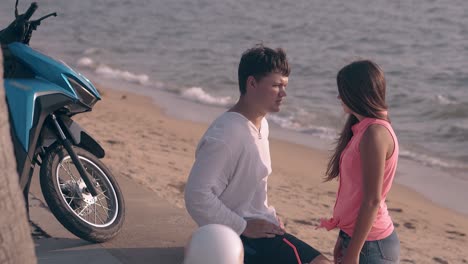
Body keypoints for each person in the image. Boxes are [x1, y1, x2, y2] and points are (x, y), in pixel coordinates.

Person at [184, 44, 330, 264]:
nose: (284, 93)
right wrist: (244, 226)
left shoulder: (261, 124)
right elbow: (196, 196)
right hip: (241, 237)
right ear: (252, 83)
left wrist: (266, 213)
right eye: (276, 86)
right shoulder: (227, 135)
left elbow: (248, 186)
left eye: (285, 86)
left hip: (257, 228)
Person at [319, 60, 400, 264]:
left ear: (357, 93)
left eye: (342, 91)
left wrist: (354, 252)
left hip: (371, 245)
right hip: (356, 237)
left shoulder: (375, 133)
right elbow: (353, 194)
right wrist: (343, 237)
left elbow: (372, 200)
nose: (339, 97)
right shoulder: (362, 129)